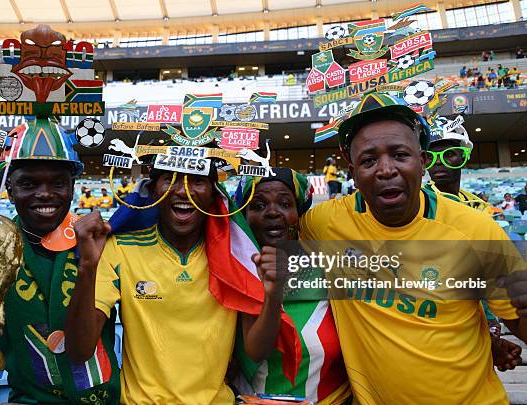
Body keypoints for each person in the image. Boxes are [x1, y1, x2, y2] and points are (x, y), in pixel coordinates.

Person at [298, 93, 527, 403]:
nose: (386, 169)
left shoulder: (476, 230)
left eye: (400, 155)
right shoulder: (324, 224)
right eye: (368, 160)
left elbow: (519, 324)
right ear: (352, 173)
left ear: (422, 163)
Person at [66, 163, 299, 404]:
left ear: (213, 193)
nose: (182, 190)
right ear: (153, 190)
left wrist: (273, 296)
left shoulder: (235, 255)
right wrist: (87, 268)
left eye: (197, 180)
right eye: (170, 179)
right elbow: (78, 350)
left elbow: (256, 351)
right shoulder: (119, 249)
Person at [0, 120, 121, 404]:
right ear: (10, 188)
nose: (45, 194)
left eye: (57, 183)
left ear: (72, 186)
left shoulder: (99, 241)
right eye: (28, 183)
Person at [234, 168, 351, 404]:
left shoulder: (328, 264)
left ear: (299, 214)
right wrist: (273, 293)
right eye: (258, 206)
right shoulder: (235, 269)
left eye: (285, 204)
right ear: (244, 216)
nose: (273, 212)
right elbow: (256, 351)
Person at [425, 115, 522, 371]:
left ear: (465, 156)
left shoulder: (479, 207)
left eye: (450, 155)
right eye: (431, 156)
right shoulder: (419, 204)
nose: (439, 164)